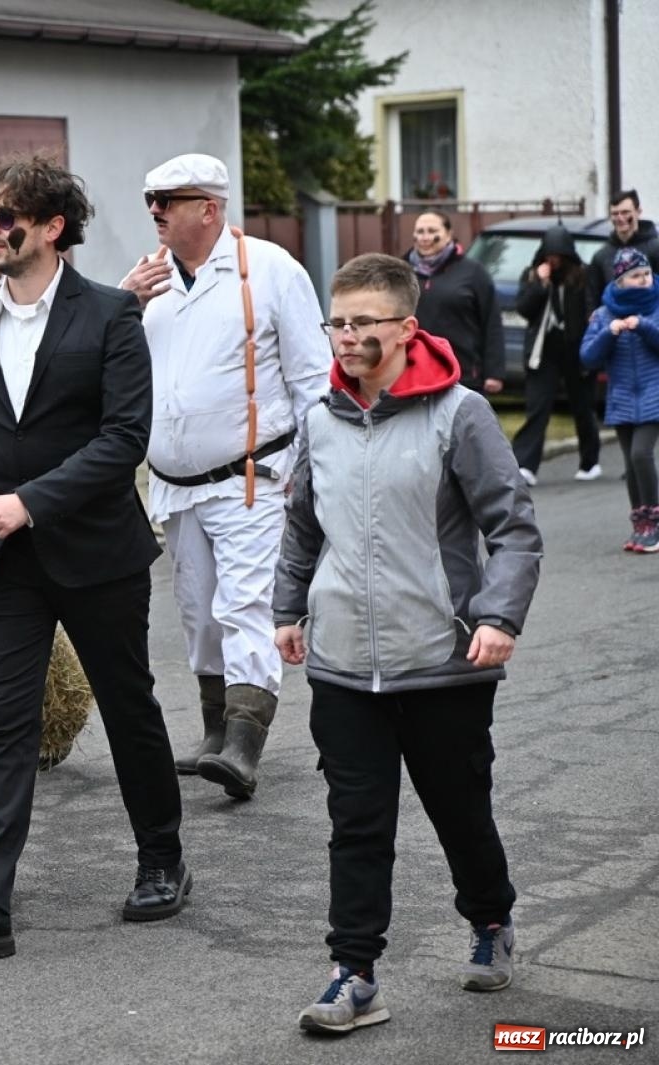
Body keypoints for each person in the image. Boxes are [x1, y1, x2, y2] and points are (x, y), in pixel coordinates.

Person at [0, 154, 188, 961]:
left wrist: (30, 499)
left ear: (53, 226)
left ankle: (162, 859)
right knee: (5, 727)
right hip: (4, 556)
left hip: (97, 549)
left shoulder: (108, 316)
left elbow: (123, 439)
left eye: (6, 216)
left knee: (128, 706)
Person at [275, 253, 542, 1035]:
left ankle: (490, 918)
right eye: (338, 321)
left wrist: (497, 616)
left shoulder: (459, 414)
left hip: (443, 662)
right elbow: (301, 524)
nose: (346, 336)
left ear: (406, 328)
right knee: (357, 823)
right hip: (344, 664)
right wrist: (289, 607)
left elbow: (514, 529)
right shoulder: (321, 417)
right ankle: (352, 973)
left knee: (460, 811)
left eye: (363, 322)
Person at [119, 153, 332, 799]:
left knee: (246, 604)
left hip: (254, 477)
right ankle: (215, 727)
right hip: (176, 483)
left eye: (169, 199)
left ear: (209, 208)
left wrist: (309, 471)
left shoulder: (269, 270)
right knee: (198, 612)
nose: (154, 209)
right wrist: (121, 306)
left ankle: (244, 739)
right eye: (150, 198)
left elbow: (312, 379)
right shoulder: (147, 284)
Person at [580, 247, 659, 552]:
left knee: (642, 454)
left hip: (654, 394)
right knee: (630, 461)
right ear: (621, 281)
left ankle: (654, 520)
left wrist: (644, 325)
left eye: (647, 274)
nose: (644, 281)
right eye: (636, 276)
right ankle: (639, 522)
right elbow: (588, 357)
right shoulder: (604, 313)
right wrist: (608, 333)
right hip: (622, 397)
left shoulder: (654, 306)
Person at [511, 225, 601, 484]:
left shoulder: (581, 276)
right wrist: (540, 283)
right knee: (538, 407)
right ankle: (526, 465)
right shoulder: (532, 275)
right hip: (544, 351)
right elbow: (524, 309)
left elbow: (590, 307)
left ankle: (590, 461)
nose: (553, 261)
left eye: (558, 256)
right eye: (550, 256)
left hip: (576, 349)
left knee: (582, 407)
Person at [407, 211, 505, 395]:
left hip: (463, 373)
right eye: (420, 231)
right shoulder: (402, 272)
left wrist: (494, 372)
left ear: (448, 234)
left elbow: (492, 323)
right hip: (413, 372)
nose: (425, 237)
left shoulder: (473, 272)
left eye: (432, 230)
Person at [585, 189, 659, 302]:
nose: (620, 218)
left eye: (625, 212)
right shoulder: (601, 256)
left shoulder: (655, 249)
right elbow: (592, 298)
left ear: (638, 212)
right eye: (615, 213)